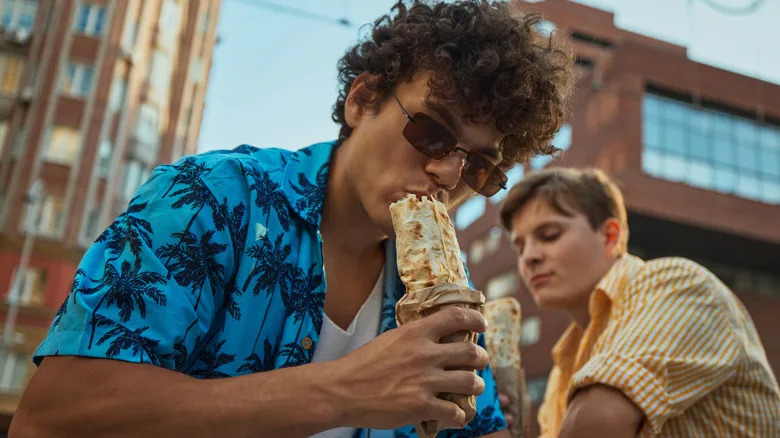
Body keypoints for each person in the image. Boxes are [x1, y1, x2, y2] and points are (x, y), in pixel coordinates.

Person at [11, 1, 573, 436]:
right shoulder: (210, 198)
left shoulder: (451, 294)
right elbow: (51, 418)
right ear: (362, 100)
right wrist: (342, 391)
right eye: (432, 133)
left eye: (479, 166)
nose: (448, 174)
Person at [498, 167, 780, 437]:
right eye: (520, 247)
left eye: (549, 235)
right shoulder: (565, 363)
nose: (529, 257)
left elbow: (601, 419)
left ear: (610, 236)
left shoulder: (679, 285)